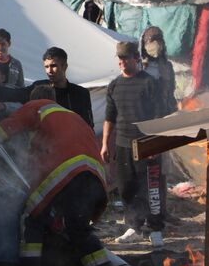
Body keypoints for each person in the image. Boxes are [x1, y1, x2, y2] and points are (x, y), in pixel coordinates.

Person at [0, 84, 111, 266]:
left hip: (66, 170)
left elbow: (5, 129)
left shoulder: (37, 106)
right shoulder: (71, 116)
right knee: (78, 228)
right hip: (95, 174)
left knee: (30, 215)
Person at [101, 41, 165, 249]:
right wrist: (105, 144)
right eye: (120, 58)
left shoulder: (149, 83)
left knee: (151, 189)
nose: (122, 62)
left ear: (136, 59)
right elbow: (109, 117)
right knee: (126, 187)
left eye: (126, 58)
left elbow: (159, 115)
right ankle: (134, 227)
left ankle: (155, 229)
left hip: (146, 144)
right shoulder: (115, 85)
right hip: (122, 144)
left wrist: (156, 144)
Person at [29, 46, 93, 128]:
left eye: (53, 66)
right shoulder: (39, 88)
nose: (49, 71)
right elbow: (17, 94)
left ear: (65, 66)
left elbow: (88, 125)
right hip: (46, 139)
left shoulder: (81, 93)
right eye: (46, 67)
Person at [139, 27, 178, 117]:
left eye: (159, 40)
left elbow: (171, 92)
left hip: (165, 114)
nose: (156, 44)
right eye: (152, 40)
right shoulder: (139, 67)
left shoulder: (167, 66)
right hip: (145, 116)